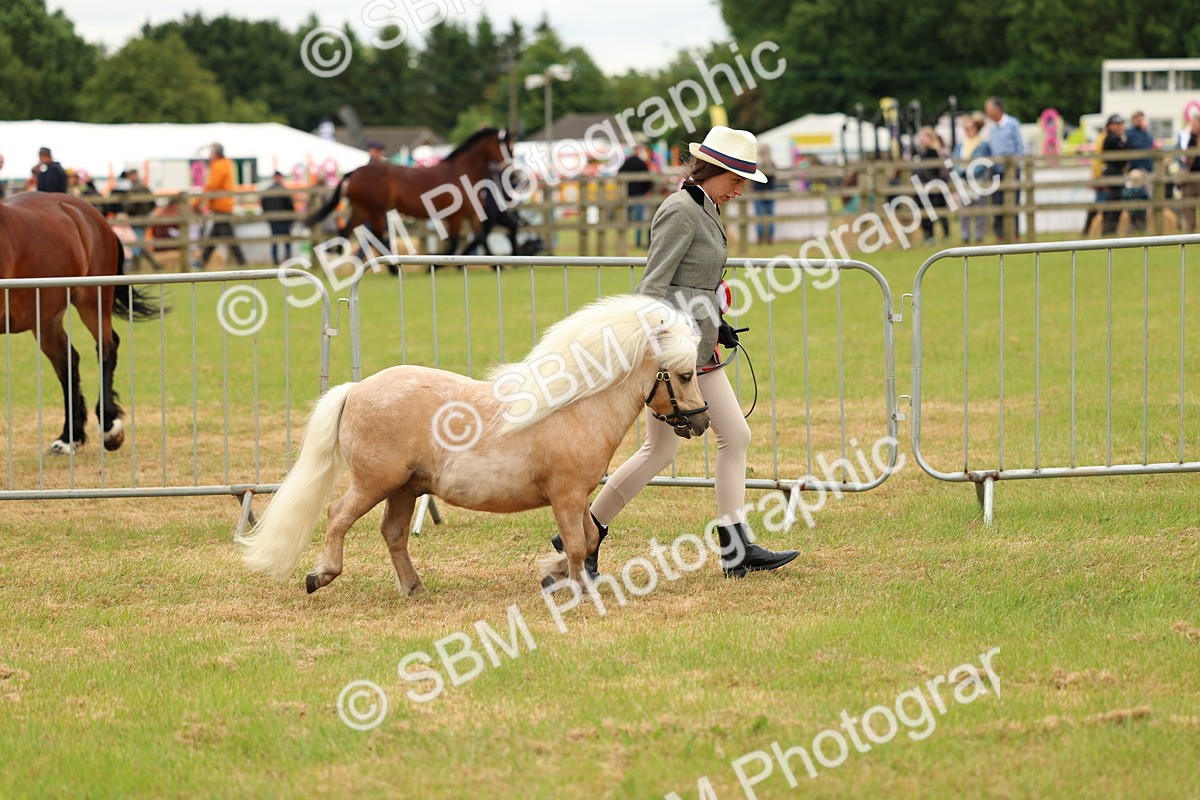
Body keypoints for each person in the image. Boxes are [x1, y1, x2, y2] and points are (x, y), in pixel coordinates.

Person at [544, 126, 799, 581]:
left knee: (663, 450)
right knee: (727, 439)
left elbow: (693, 280)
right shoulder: (681, 210)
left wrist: (715, 320)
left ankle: (586, 535)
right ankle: (732, 547)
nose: (741, 189)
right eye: (736, 178)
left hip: (694, 345)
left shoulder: (706, 207)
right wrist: (663, 353)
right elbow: (652, 288)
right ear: (713, 169)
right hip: (675, 355)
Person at [192, 143, 245, 269]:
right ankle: (203, 261)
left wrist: (196, 203)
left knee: (226, 237)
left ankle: (241, 261)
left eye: (211, 153)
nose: (209, 156)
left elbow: (211, 186)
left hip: (222, 206)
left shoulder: (220, 166)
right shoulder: (224, 164)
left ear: (215, 154)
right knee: (215, 236)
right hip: (221, 205)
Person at [984, 97, 1024, 241]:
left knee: (1014, 201)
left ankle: (1015, 234)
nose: (986, 112)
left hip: (1011, 169)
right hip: (996, 170)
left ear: (997, 109)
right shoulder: (991, 127)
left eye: (988, 109)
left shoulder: (1012, 124)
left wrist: (1016, 163)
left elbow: (1019, 145)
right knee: (997, 202)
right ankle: (1000, 234)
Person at [952, 113, 992, 243]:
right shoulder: (960, 144)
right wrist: (961, 172)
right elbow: (955, 160)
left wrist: (968, 172)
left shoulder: (982, 145)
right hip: (964, 181)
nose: (967, 130)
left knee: (979, 210)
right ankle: (965, 236)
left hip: (978, 180)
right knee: (965, 210)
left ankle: (979, 236)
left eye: (969, 128)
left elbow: (982, 164)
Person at [914, 126, 950, 244]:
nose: (921, 141)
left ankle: (941, 235)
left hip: (933, 186)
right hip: (927, 186)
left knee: (937, 212)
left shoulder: (933, 152)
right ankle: (931, 236)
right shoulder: (922, 153)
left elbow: (933, 170)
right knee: (930, 213)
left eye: (923, 138)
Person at [618, 144, 655, 248]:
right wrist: (645, 190)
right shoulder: (641, 163)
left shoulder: (627, 162)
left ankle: (623, 243)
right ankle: (637, 242)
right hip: (639, 194)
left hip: (628, 195)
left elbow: (619, 173)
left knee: (625, 219)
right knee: (639, 220)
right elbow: (648, 179)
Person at [1124, 112, 1154, 232]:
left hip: (1148, 169)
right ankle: (1135, 224)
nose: (1140, 121)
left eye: (1142, 119)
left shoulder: (1146, 133)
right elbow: (1138, 146)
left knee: (1149, 198)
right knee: (1136, 197)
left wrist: (1145, 132)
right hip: (1136, 170)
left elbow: (1149, 146)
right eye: (1138, 119)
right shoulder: (1130, 133)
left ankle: (1147, 226)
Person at [1099, 115, 1129, 235]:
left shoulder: (1117, 139)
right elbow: (1124, 155)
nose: (1120, 127)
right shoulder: (1111, 140)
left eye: (1121, 124)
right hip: (1112, 173)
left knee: (1116, 202)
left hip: (1117, 173)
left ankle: (1111, 230)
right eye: (1117, 125)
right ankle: (1109, 230)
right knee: (1114, 202)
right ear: (1110, 126)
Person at [261, 171, 295, 265]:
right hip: (284, 220)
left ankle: (275, 261)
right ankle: (288, 260)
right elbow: (290, 206)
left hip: (273, 220)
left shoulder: (267, 190)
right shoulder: (284, 190)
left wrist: (268, 217)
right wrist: (292, 218)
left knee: (275, 240)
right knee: (286, 241)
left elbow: (263, 205)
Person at [1177, 115, 1200, 233]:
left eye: (1195, 124)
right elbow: (1185, 156)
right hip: (1190, 176)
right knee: (1188, 205)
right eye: (1192, 124)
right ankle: (1190, 232)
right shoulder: (1190, 138)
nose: (1193, 127)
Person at [752, 148, 778, 245]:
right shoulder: (772, 164)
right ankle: (769, 238)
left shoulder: (757, 165)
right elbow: (774, 177)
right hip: (769, 192)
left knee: (760, 216)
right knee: (769, 216)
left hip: (759, 192)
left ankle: (761, 238)